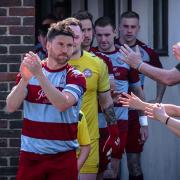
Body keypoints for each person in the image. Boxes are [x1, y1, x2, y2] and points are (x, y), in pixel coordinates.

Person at [6, 21, 86, 180]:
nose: (65, 50)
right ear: (48, 45)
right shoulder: (31, 70)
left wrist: (40, 75)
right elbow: (11, 106)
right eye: (60, 44)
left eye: (69, 45)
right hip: (31, 157)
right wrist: (24, 79)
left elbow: (62, 104)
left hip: (63, 157)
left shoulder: (76, 76)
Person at [62, 17, 121, 180]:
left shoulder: (98, 64)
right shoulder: (50, 64)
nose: (73, 40)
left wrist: (114, 131)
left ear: (83, 37)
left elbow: (106, 101)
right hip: (59, 139)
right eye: (69, 36)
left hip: (89, 140)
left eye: (76, 36)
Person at [115, 11, 166, 180]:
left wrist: (157, 100)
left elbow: (163, 76)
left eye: (133, 27)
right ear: (119, 28)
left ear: (138, 28)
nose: (129, 30)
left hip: (135, 113)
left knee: (134, 164)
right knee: (108, 164)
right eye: (126, 26)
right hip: (110, 111)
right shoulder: (107, 47)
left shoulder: (147, 52)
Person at [93, 16, 146, 180]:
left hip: (120, 122)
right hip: (93, 122)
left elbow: (137, 90)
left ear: (115, 33)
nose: (103, 39)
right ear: (95, 34)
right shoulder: (90, 56)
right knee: (95, 171)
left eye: (107, 35)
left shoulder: (126, 56)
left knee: (112, 172)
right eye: (99, 35)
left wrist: (143, 123)